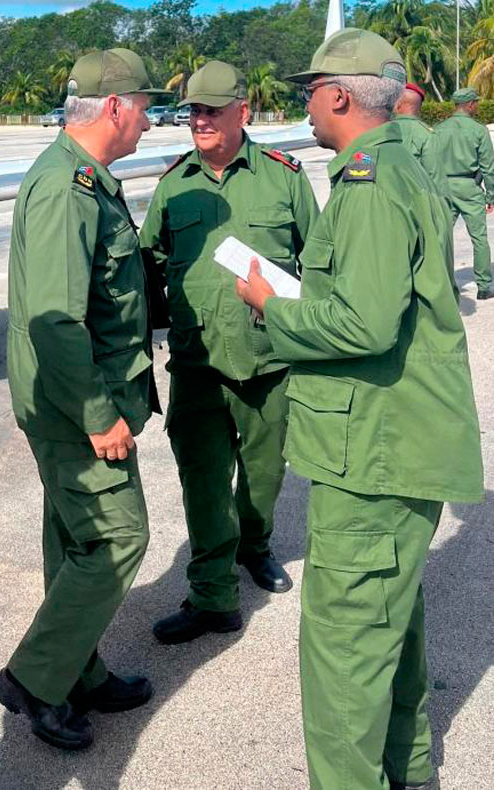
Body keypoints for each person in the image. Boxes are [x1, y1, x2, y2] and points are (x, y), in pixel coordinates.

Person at [235, 29, 483, 790]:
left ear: (339, 97)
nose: (305, 102)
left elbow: (364, 325)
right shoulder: (398, 164)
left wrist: (272, 303)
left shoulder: (371, 182)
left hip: (372, 453)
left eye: (311, 88)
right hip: (388, 442)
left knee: (344, 661)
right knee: (389, 634)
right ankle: (407, 772)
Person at [0, 48, 163, 750]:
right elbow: (57, 319)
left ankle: (79, 673)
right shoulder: (68, 189)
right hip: (75, 405)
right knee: (119, 536)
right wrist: (99, 416)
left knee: (73, 539)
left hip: (68, 398)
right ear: (116, 107)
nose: (151, 122)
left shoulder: (86, 179)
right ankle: (35, 680)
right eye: (146, 108)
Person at [139, 60, 319, 645]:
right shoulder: (173, 184)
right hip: (196, 367)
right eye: (194, 110)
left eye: (213, 109)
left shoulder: (283, 177)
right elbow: (150, 266)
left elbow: (316, 262)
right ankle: (212, 593)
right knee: (203, 482)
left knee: (265, 475)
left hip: (269, 364)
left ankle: (255, 547)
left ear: (244, 111)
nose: (201, 120)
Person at [434, 86, 494, 299]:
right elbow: (489, 167)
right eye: (476, 102)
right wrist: (491, 196)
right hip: (469, 187)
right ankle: (484, 287)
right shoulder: (478, 130)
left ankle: (443, 285)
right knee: (479, 238)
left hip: (444, 187)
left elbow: (431, 162)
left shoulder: (439, 129)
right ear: (469, 105)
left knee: (441, 237)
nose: (478, 105)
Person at [391, 82, 448, 198]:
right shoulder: (426, 134)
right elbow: (435, 177)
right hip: (415, 202)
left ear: (397, 104)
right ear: (419, 108)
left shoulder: (380, 129)